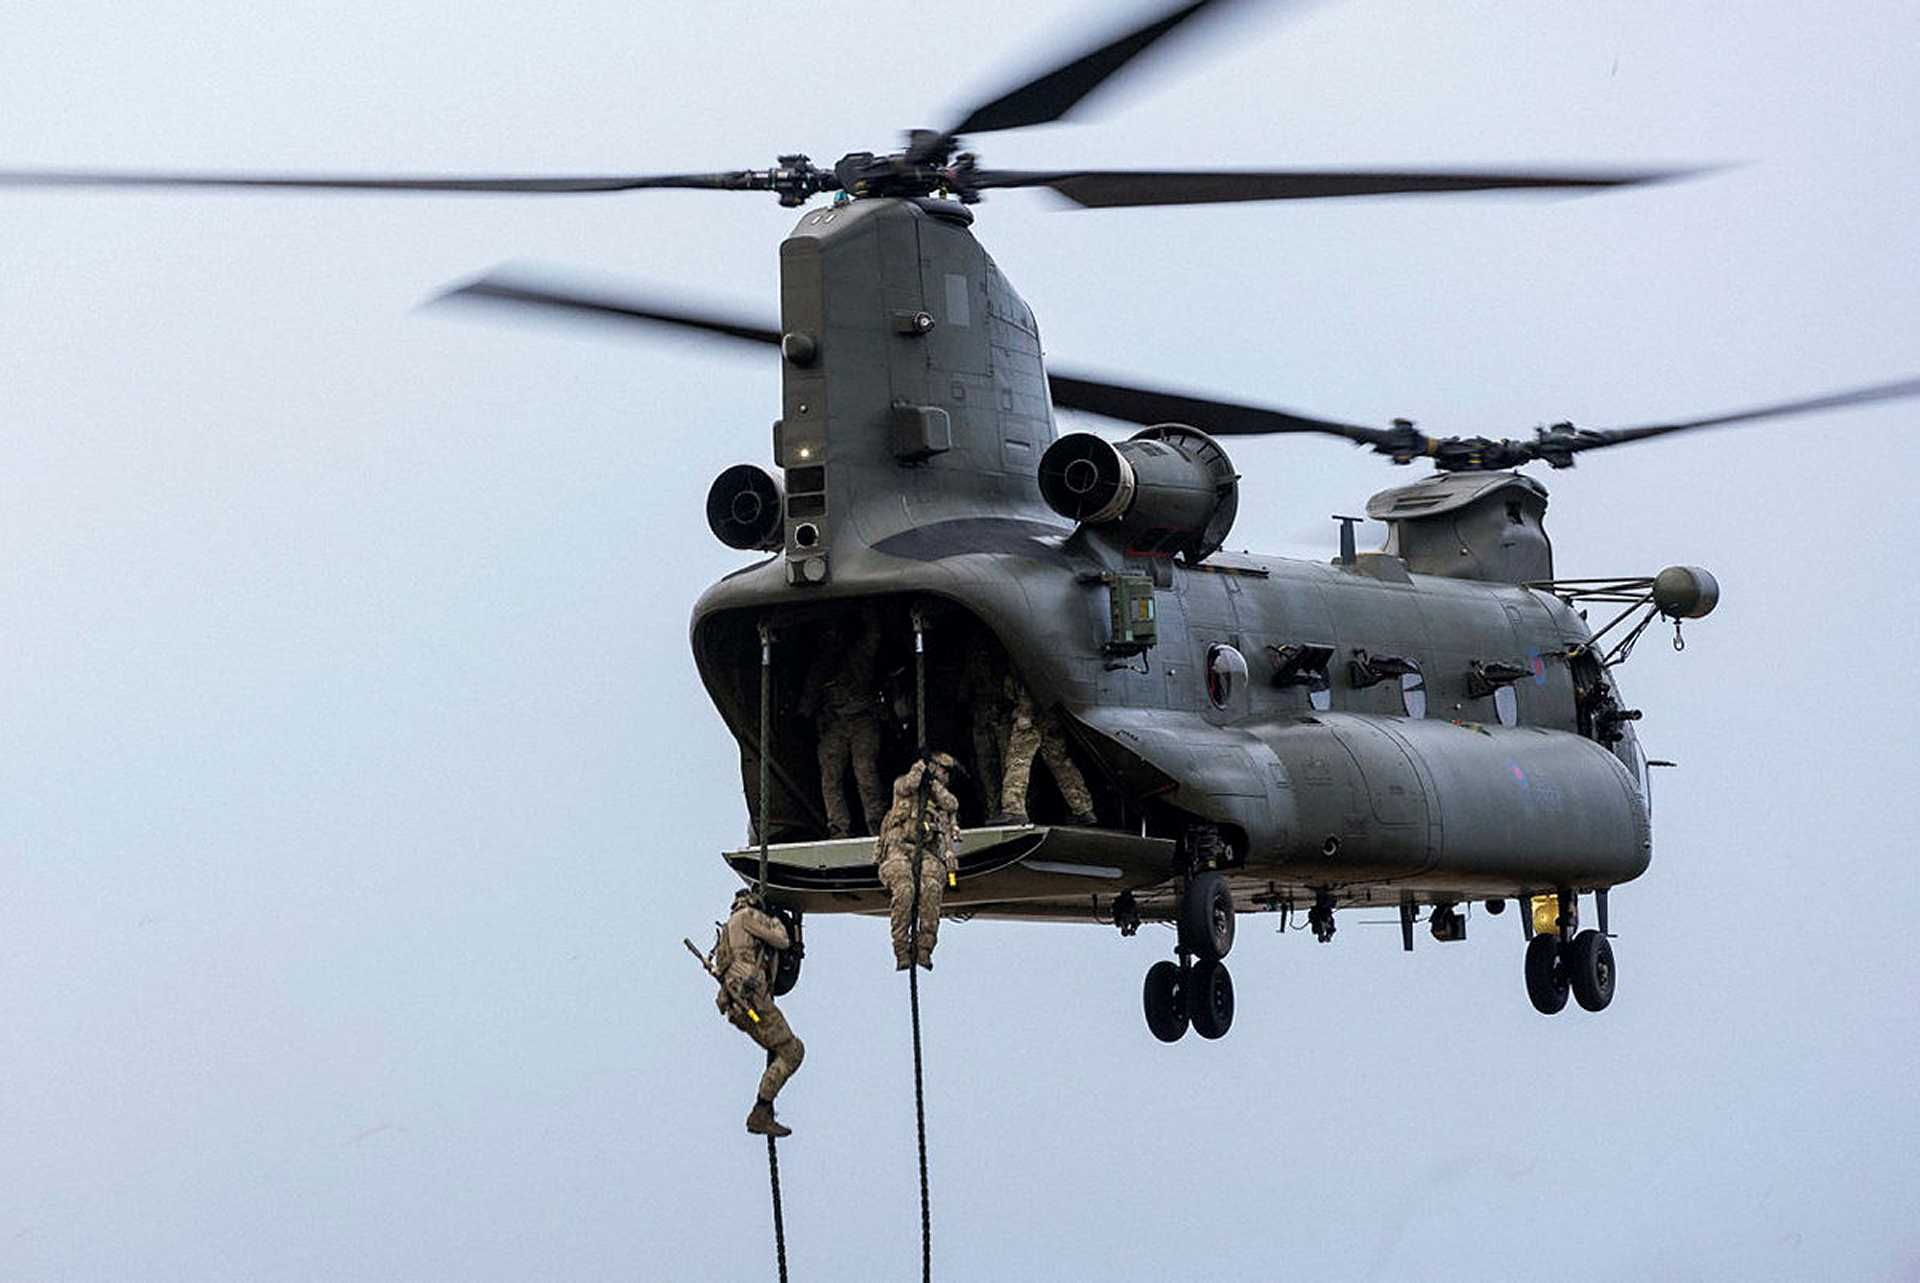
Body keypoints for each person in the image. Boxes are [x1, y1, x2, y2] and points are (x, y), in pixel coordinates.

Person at [712, 888, 805, 1137]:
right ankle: (761, 1110)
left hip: (737, 1007)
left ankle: (763, 1108)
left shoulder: (727, 930)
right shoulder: (748, 917)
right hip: (755, 1002)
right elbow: (782, 940)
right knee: (792, 1051)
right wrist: (775, 919)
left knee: (777, 1046)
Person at [797, 611, 886, 838]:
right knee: (830, 777)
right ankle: (838, 827)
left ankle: (876, 824)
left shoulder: (859, 656)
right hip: (835, 723)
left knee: (865, 772)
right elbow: (808, 699)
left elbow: (874, 637)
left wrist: (869, 612)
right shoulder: (822, 665)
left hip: (862, 720)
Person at [874, 754, 962, 970]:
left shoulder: (942, 801)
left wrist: (932, 784)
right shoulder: (904, 786)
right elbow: (908, 784)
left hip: (927, 853)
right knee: (905, 889)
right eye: (941, 770)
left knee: (931, 889)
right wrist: (919, 769)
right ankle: (901, 948)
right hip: (897, 849)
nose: (944, 775)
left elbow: (951, 805)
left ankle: (924, 948)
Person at [996, 675, 1098, 827]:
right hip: (1050, 714)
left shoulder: (1026, 658)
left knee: (1018, 761)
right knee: (1060, 763)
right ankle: (1083, 808)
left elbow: (1024, 684)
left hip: (1029, 717)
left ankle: (1014, 810)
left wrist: (1025, 712)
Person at [958, 640, 1009, 819]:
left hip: (1000, 715)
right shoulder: (972, 661)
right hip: (982, 717)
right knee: (987, 769)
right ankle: (994, 811)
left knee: (1007, 767)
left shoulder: (1001, 657)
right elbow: (963, 693)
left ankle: (1009, 809)